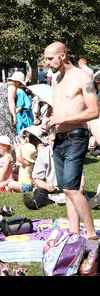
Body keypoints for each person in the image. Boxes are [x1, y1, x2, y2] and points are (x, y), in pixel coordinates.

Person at [45, 41, 99, 240]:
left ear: (63, 56)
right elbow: (62, 109)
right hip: (58, 138)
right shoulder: (56, 78)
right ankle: (74, 234)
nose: (46, 63)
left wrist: (64, 119)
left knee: (71, 187)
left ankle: (91, 234)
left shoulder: (83, 78)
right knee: (67, 190)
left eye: (50, 58)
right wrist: (50, 122)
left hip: (77, 137)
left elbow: (94, 111)